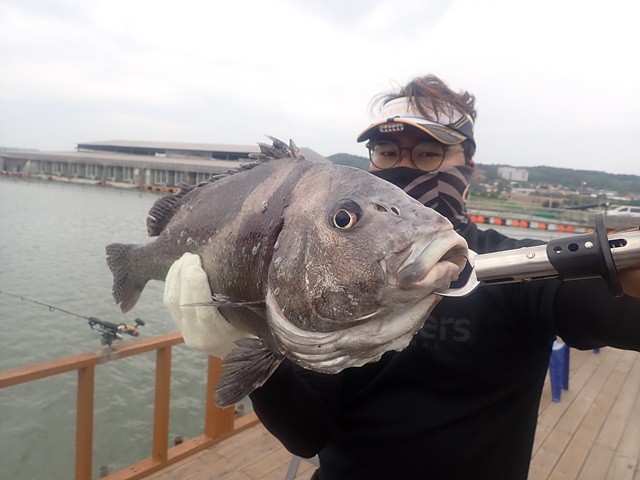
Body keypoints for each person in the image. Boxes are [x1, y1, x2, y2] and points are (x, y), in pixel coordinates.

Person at [165, 74, 640, 479]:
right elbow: (307, 434)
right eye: (387, 152)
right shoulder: (320, 276)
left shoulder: (519, 268)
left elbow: (619, 311)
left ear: (468, 168)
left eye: (429, 153)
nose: (405, 167)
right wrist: (243, 342)